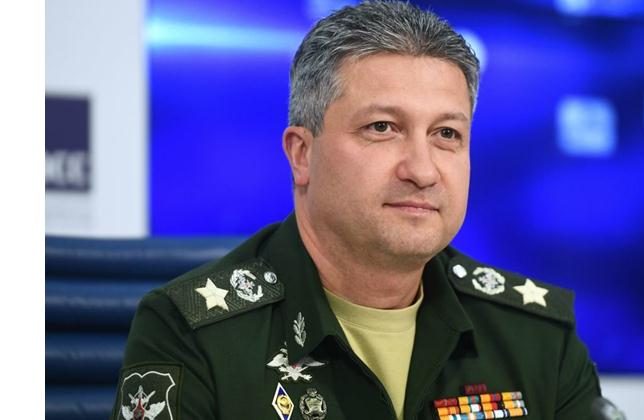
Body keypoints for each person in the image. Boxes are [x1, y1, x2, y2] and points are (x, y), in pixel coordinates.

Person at [111, 2, 601, 419]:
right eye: (382, 128)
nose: (422, 170)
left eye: (446, 134)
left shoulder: (537, 337)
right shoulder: (193, 332)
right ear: (302, 154)